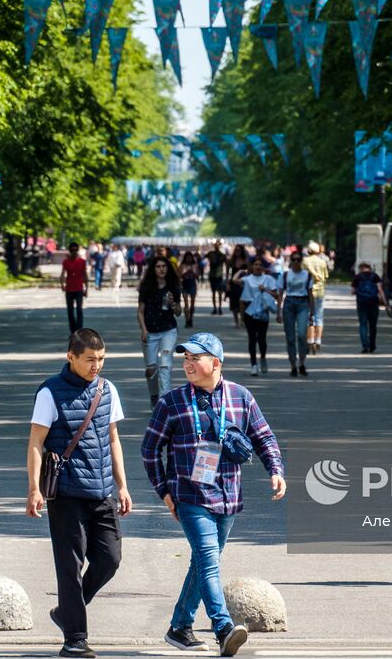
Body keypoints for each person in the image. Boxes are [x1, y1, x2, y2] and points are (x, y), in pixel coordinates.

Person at [141, 332, 286, 657]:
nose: (188, 364)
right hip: (190, 496)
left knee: (203, 562)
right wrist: (164, 490)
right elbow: (150, 449)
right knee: (208, 560)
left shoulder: (240, 397)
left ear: (215, 363)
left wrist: (275, 470)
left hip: (228, 496)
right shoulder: (172, 402)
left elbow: (264, 436)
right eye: (186, 359)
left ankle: (180, 626)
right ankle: (223, 628)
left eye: (196, 358)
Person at [26, 328, 132, 659]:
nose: (96, 366)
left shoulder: (107, 389)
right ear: (70, 357)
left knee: (110, 559)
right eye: (90, 360)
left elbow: (113, 438)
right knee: (69, 567)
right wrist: (33, 489)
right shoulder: (50, 393)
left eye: (101, 359)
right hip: (67, 494)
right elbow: (35, 443)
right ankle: (75, 637)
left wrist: (123, 485)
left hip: (102, 492)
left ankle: (67, 611)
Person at [138, 255, 182, 406]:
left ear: (168, 268)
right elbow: (140, 311)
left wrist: (173, 304)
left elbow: (178, 312)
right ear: (153, 269)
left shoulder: (173, 287)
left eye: (164, 266)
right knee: (151, 369)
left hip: (168, 330)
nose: (161, 269)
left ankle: (164, 402)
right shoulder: (146, 287)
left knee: (165, 364)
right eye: (158, 266)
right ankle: (154, 395)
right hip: (150, 332)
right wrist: (143, 330)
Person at [239, 258, 278, 375]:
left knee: (261, 339)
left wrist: (265, 289)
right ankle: (253, 365)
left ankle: (263, 358)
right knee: (252, 339)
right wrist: (242, 270)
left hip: (263, 312)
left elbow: (277, 295)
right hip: (249, 313)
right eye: (255, 264)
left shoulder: (269, 279)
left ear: (263, 267)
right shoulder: (247, 279)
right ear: (252, 267)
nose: (257, 266)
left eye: (260, 265)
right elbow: (234, 281)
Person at [279, 251, 314, 377]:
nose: (295, 262)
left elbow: (310, 294)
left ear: (301, 261)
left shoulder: (307, 275)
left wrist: (312, 313)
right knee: (290, 338)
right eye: (293, 259)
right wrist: (279, 311)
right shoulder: (285, 275)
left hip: (302, 304)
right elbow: (280, 293)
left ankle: (302, 363)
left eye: (298, 259)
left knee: (301, 334)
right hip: (289, 303)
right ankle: (293, 365)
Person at [350, 261, 387, 354]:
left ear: (361, 268)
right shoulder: (375, 276)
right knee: (373, 326)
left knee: (363, 324)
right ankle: (372, 346)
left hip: (362, 303)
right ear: (369, 267)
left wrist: (360, 291)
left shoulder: (357, 277)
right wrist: (385, 301)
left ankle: (365, 346)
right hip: (373, 303)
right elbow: (380, 289)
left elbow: (352, 291)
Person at [303, 241, 331, 354]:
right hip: (319, 292)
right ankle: (318, 341)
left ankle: (310, 341)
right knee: (319, 317)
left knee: (309, 317)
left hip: (307, 292)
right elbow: (326, 276)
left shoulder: (304, 262)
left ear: (308, 251)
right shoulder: (322, 262)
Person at [61, 243, 89, 335]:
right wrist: (62, 285)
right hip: (69, 289)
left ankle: (79, 330)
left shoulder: (82, 261)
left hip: (79, 289)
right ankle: (73, 331)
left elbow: (85, 275)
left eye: (75, 250)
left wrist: (86, 288)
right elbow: (63, 274)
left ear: (77, 251)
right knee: (70, 312)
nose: (73, 252)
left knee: (79, 310)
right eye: (72, 250)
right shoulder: (66, 261)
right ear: (69, 251)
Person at [227, 246, 248, 329]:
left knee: (243, 302)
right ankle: (236, 321)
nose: (237, 251)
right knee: (234, 303)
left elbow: (249, 271)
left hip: (243, 283)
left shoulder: (245, 260)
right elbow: (228, 273)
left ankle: (242, 319)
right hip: (233, 283)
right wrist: (227, 284)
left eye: (239, 250)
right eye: (236, 250)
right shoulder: (231, 260)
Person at [207, 243, 227, 315]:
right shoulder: (211, 253)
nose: (216, 246)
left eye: (218, 245)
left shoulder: (222, 255)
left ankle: (219, 308)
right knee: (214, 293)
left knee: (219, 293)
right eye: (215, 245)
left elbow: (226, 263)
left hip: (219, 275)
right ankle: (215, 308)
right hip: (213, 275)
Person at [180, 257, 199, 329]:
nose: (189, 259)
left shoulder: (195, 265)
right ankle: (187, 320)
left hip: (192, 285)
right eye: (187, 257)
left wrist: (193, 271)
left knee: (192, 303)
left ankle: (191, 318)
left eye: (190, 257)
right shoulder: (182, 265)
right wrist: (185, 271)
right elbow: (179, 275)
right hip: (185, 285)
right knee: (186, 304)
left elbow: (197, 276)